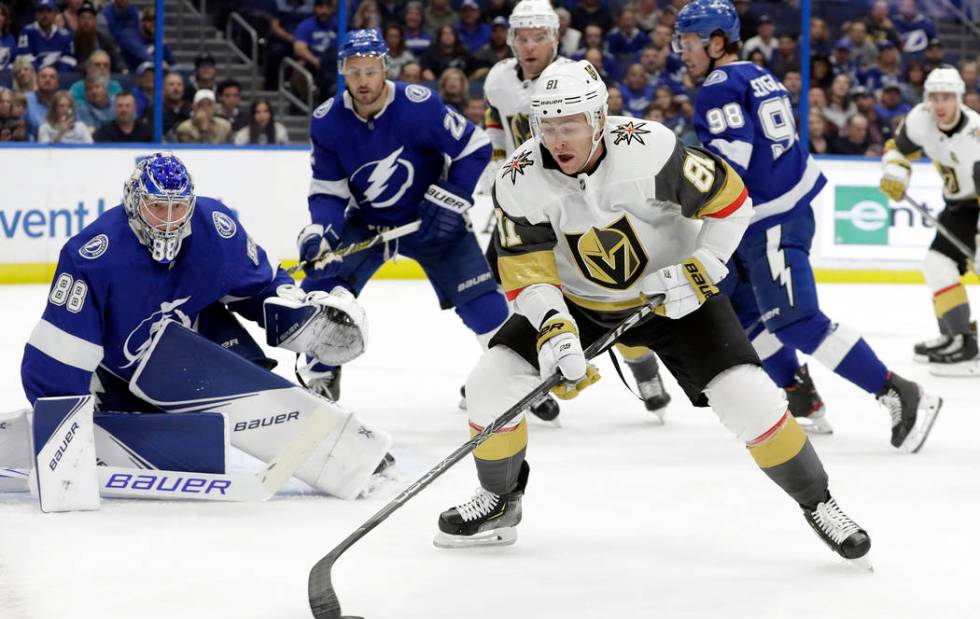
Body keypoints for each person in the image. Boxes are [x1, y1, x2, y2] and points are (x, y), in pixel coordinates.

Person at [434, 60, 873, 570]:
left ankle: (819, 502)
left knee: (748, 397)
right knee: (490, 382)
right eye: (546, 126)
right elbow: (525, 273)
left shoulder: (652, 148)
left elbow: (732, 203)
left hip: (674, 294)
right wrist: (556, 329)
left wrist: (703, 266)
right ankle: (500, 500)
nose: (557, 138)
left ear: (599, 119)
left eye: (569, 124)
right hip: (578, 302)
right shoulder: (518, 179)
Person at [19, 153, 390, 500]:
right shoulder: (92, 256)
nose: (168, 220)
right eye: (157, 207)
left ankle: (343, 450)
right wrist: (64, 427)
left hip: (197, 339)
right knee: (188, 446)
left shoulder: (216, 229)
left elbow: (259, 286)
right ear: (134, 204)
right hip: (123, 371)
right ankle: (121, 411)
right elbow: (58, 352)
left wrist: (295, 314)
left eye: (177, 207)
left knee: (249, 380)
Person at [673, 0, 941, 448]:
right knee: (740, 313)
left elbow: (731, 160)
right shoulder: (758, 74)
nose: (682, 51)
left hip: (771, 216)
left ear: (716, 42)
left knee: (796, 321)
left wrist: (684, 195)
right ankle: (800, 396)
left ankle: (899, 391)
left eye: (688, 42)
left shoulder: (718, 85)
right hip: (767, 216)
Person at [483, 0, 671, 421]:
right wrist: (498, 162)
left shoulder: (573, 79)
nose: (530, 46)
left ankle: (642, 363)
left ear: (555, 37)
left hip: (576, 198)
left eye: (538, 37)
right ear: (511, 39)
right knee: (520, 286)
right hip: (526, 199)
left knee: (610, 291)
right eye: (522, 38)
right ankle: (528, 370)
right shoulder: (498, 79)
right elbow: (495, 121)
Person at [298, 29, 506, 402]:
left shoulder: (419, 105)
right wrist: (321, 233)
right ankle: (321, 374)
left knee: (481, 303)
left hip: (431, 219)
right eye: (355, 71)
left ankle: (513, 370)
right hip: (367, 221)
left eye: (371, 70)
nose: (363, 81)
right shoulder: (327, 121)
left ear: (385, 69)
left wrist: (450, 199)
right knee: (321, 290)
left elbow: (475, 148)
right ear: (344, 71)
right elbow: (328, 190)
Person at [879, 67, 980, 375]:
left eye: (947, 97)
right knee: (936, 265)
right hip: (956, 206)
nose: (939, 104)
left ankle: (966, 345)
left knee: (945, 264)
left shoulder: (975, 136)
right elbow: (896, 149)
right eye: (934, 97)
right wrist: (896, 172)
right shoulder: (920, 119)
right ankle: (956, 336)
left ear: (959, 99)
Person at [17, 0, 76, 71]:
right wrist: (40, 71)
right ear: (35, 14)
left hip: (59, 76)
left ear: (55, 14)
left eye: (49, 11)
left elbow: (70, 58)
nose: (45, 15)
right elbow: (24, 56)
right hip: (34, 76)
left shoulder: (66, 35)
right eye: (41, 11)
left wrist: (57, 72)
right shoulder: (27, 31)